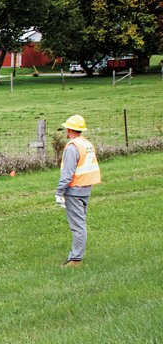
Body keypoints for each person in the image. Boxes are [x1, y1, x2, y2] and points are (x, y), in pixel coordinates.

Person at [55, 114, 100, 266]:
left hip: (74, 191)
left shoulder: (72, 147)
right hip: (86, 189)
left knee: (78, 226)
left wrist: (59, 192)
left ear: (69, 129)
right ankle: (76, 256)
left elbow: (67, 175)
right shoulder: (87, 144)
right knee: (80, 223)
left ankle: (75, 259)